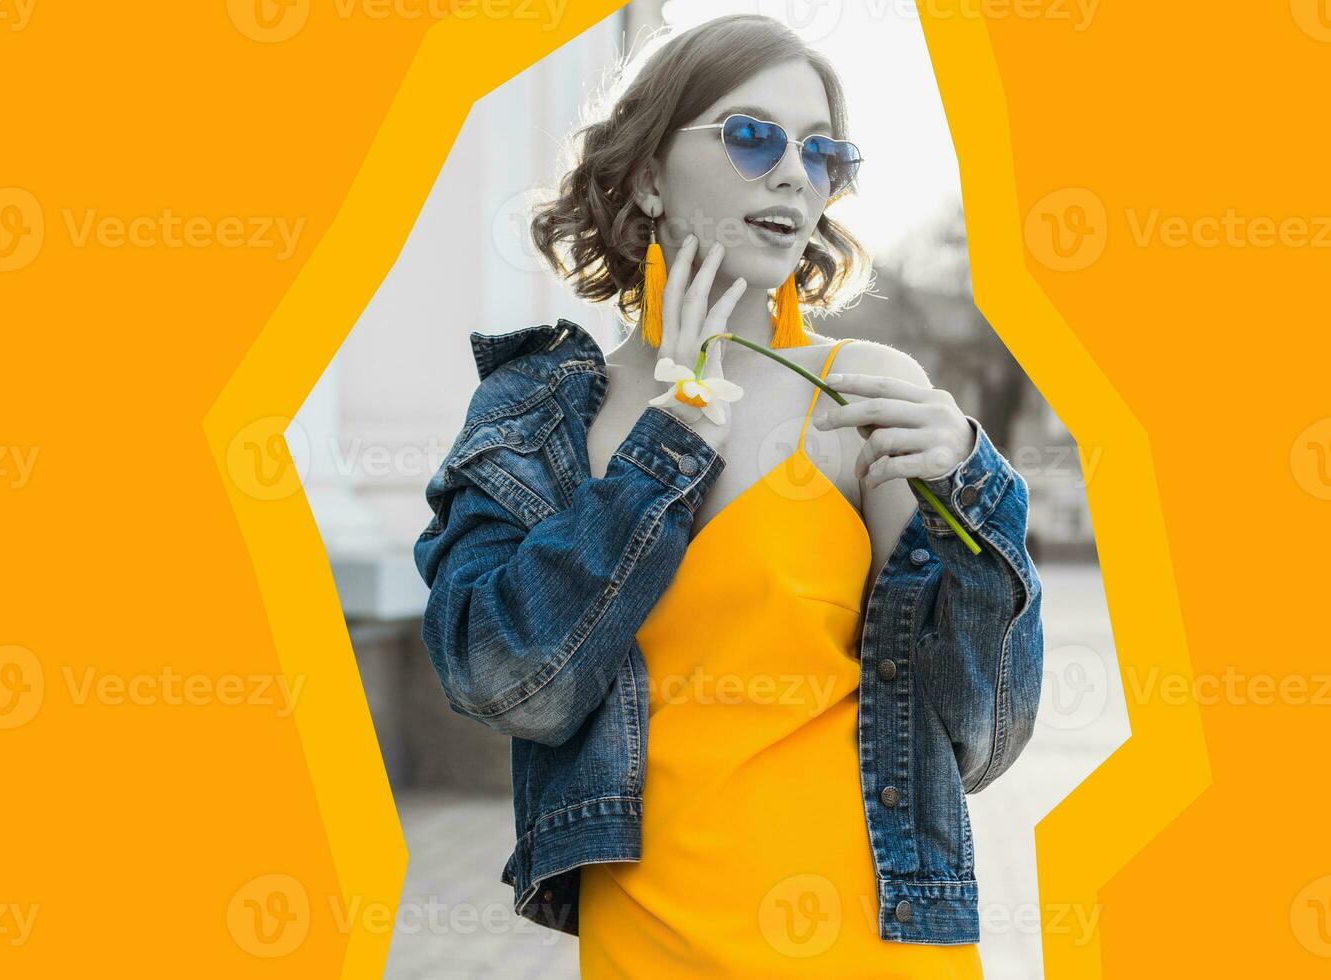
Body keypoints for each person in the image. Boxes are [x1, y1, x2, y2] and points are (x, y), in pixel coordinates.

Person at [414, 13, 1043, 976]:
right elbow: (502, 681)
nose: (796, 173)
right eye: (753, 136)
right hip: (649, 939)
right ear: (649, 174)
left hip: (864, 938)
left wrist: (973, 493)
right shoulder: (533, 416)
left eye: (823, 152)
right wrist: (672, 442)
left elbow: (978, 737)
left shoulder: (863, 392)